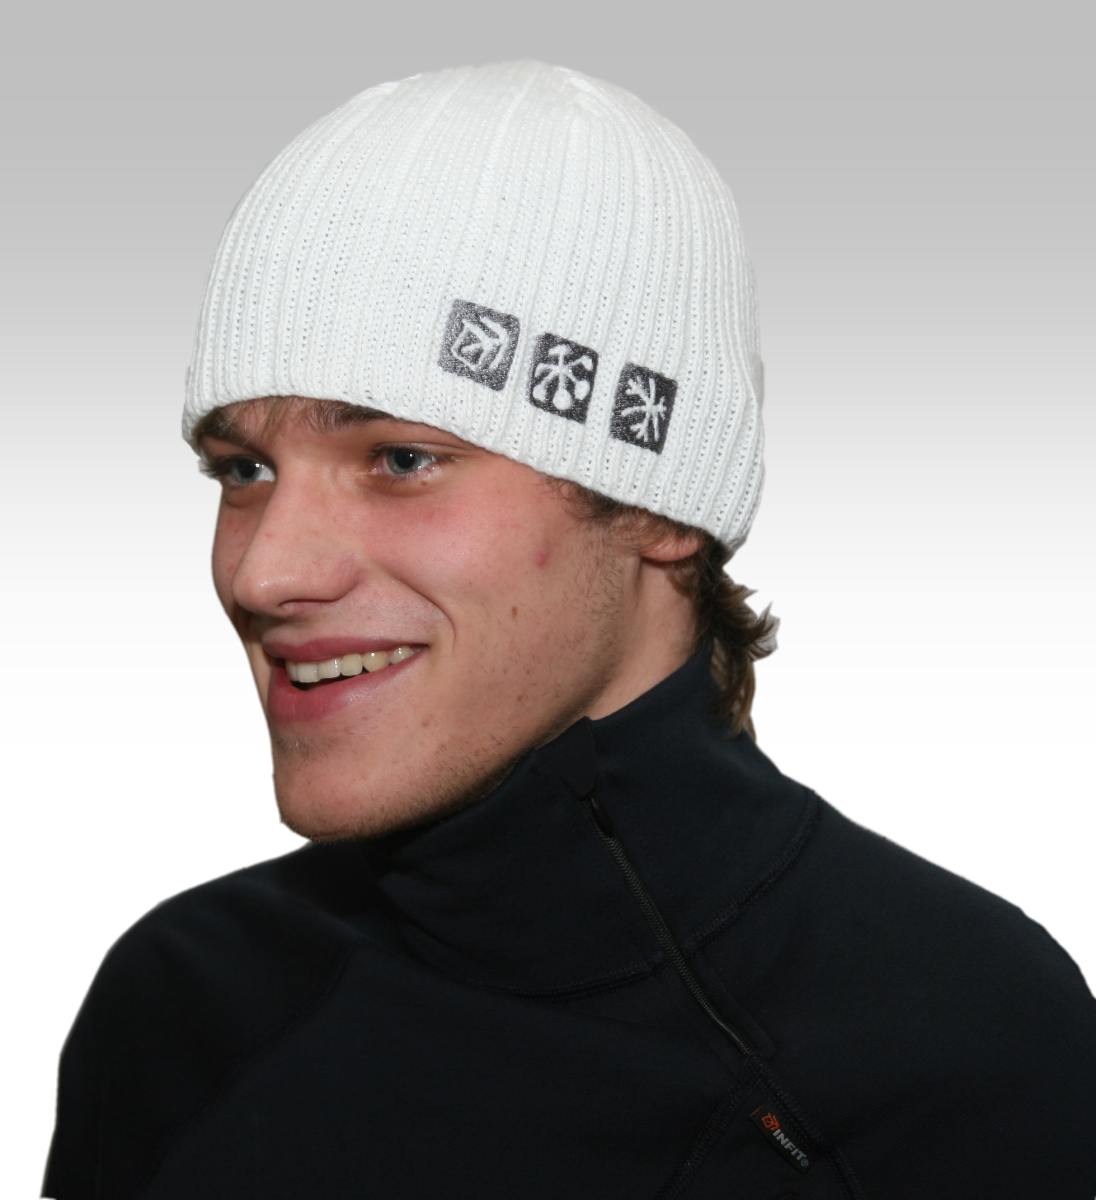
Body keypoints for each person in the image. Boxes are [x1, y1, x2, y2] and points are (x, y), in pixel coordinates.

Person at [43, 59, 1096, 1200]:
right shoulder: (181, 1005)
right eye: (243, 470)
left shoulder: (961, 1045)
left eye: (401, 458)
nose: (264, 570)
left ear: (657, 505)